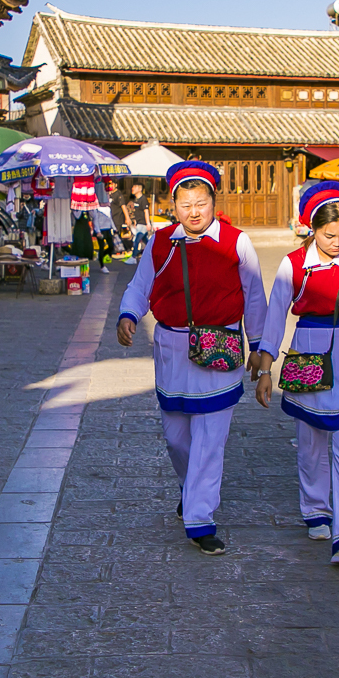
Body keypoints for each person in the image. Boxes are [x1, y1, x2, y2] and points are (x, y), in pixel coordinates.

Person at [116, 161, 266, 556]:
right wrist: (128, 315)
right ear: (173, 205)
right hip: (172, 351)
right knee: (176, 438)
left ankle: (200, 520)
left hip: (219, 349)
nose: (194, 212)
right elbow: (140, 284)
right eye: (185, 204)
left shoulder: (237, 242)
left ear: (214, 202)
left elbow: (254, 296)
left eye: (201, 203)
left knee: (209, 441)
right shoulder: (161, 241)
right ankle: (191, 488)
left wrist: (260, 345)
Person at [252, 183, 339, 566]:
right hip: (308, 356)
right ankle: (316, 509)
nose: (337, 242)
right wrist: (265, 369)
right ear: (312, 229)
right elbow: (275, 317)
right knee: (311, 443)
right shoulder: (293, 264)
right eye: (329, 235)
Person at [122, 184, 150, 260]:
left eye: (135, 187)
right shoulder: (136, 200)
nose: (132, 188)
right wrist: (135, 221)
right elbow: (137, 212)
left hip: (143, 223)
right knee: (146, 241)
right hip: (138, 223)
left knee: (137, 240)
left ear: (140, 189)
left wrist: (148, 223)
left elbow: (146, 211)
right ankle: (153, 253)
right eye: (132, 187)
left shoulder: (143, 199)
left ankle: (133, 257)